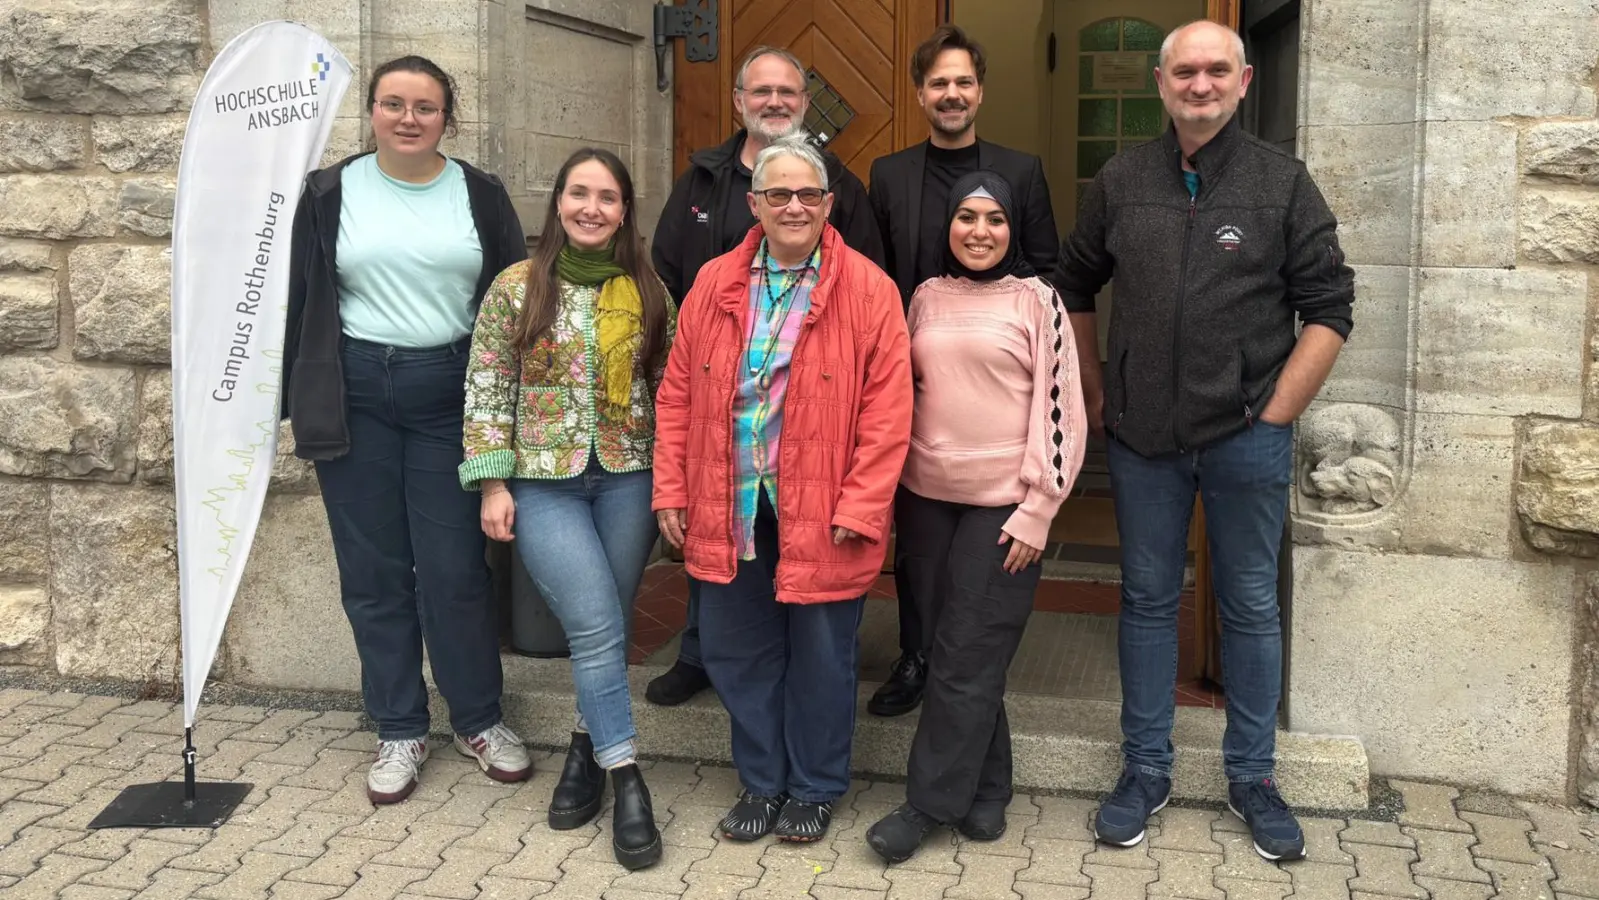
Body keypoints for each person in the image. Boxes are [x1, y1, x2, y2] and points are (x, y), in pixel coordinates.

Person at [1057, 21, 1356, 862]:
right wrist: (1094, 386)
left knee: (1249, 606)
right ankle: (1144, 769)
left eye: (1213, 70)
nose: (1198, 84)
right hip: (1144, 437)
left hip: (1244, 437)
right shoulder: (1121, 179)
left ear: (1243, 78)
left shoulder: (1281, 184)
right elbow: (1072, 281)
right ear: (1160, 83)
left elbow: (1329, 308)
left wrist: (1274, 413)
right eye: (1183, 71)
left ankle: (1252, 777)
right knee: (1147, 601)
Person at [282, 55, 531, 805]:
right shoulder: (327, 191)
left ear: (447, 117)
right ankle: (398, 725)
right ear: (372, 112)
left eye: (425, 106)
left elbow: (515, 295)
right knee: (373, 574)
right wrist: (285, 399)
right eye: (393, 103)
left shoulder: (479, 193)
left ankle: (479, 718)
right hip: (355, 391)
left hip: (448, 394)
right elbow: (297, 296)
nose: (408, 118)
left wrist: (513, 407)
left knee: (453, 571)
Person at [651, 136, 911, 844]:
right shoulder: (711, 283)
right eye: (778, 194)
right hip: (727, 500)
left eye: (807, 195)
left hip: (825, 508)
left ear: (828, 205)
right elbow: (675, 395)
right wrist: (669, 491)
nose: (793, 206)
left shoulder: (868, 289)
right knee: (738, 652)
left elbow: (888, 416)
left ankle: (817, 785)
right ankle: (763, 781)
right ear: (753, 204)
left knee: (822, 657)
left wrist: (862, 505)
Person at [646, 45, 887, 710]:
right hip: (715, 401)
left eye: (788, 91)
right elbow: (664, 278)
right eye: (761, 92)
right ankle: (699, 653)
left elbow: (865, 288)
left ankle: (801, 717)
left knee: (805, 590)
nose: (775, 102)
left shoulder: (841, 186)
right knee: (723, 560)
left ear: (805, 103)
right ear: (738, 102)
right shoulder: (700, 182)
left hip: (811, 422)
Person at [459, 148, 674, 870]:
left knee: (604, 629)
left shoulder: (648, 291)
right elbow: (488, 385)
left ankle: (582, 752)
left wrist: (673, 486)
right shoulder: (516, 289)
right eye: (578, 194)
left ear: (624, 210)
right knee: (592, 622)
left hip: (627, 479)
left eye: (606, 197)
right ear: (557, 203)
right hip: (544, 483)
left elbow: (671, 393)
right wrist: (492, 483)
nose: (591, 208)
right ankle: (627, 775)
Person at [865, 171, 1087, 863]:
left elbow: (1060, 409)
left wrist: (1038, 507)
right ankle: (988, 787)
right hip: (926, 496)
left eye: (994, 219)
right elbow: (900, 389)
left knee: (965, 655)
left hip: (1002, 507)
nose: (980, 231)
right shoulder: (925, 297)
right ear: (948, 226)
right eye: (966, 218)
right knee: (945, 648)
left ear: (1013, 228)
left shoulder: (1037, 299)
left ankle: (927, 803)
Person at [864, 25, 1065, 719]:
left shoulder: (1021, 170)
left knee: (979, 554)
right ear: (920, 94)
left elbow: (1044, 271)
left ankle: (966, 665)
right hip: (909, 377)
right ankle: (914, 656)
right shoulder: (888, 175)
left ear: (980, 90)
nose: (951, 94)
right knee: (918, 548)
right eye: (938, 83)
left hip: (992, 376)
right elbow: (877, 275)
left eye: (963, 82)